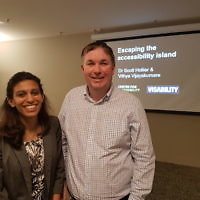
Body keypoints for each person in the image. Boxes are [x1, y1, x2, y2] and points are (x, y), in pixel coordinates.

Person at [59, 41, 155, 200]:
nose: (97, 70)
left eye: (103, 63)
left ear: (113, 68)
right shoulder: (71, 99)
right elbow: (63, 143)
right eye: (90, 63)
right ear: (83, 69)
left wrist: (136, 198)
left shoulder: (131, 104)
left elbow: (144, 157)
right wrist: (65, 182)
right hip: (74, 195)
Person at [0, 71, 65, 200]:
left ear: (42, 97)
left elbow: (59, 167)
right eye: (21, 94)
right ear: (11, 101)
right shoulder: (2, 134)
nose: (30, 99)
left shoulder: (53, 125)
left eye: (35, 93)